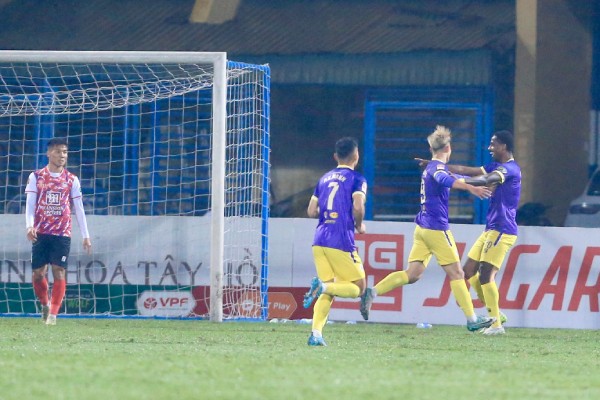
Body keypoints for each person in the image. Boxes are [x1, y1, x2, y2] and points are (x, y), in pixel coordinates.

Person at [359, 125, 495, 332]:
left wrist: (474, 182)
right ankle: (471, 319)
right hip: (436, 229)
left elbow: (451, 176)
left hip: (422, 227)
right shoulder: (438, 169)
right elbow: (445, 179)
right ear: (448, 148)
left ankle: (373, 292)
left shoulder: (432, 167)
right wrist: (471, 188)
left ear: (432, 149)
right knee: (457, 273)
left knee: (412, 274)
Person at [438, 130, 521, 335]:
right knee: (468, 272)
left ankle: (496, 324)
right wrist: (438, 166)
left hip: (502, 229)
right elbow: (467, 170)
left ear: (503, 146)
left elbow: (485, 180)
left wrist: (456, 182)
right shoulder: (496, 166)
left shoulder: (510, 169)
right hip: (491, 229)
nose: (489, 148)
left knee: (486, 275)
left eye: (493, 144)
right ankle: (496, 314)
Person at [302, 137, 367, 346]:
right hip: (340, 240)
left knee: (330, 289)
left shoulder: (324, 179)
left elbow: (311, 211)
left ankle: (316, 334)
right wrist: (359, 225)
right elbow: (358, 206)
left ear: (335, 156)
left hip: (319, 239)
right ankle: (321, 287)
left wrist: (328, 212)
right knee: (359, 287)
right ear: (356, 155)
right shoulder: (357, 179)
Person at [25, 137, 92, 325]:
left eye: (65, 152)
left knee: (59, 271)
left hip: (62, 233)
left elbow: (79, 208)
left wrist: (86, 235)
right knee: (38, 273)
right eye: (58, 151)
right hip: (40, 232)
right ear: (49, 153)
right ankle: (45, 304)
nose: (62, 155)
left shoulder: (72, 179)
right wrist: (29, 225)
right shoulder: (36, 177)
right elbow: (30, 205)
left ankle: (53, 315)